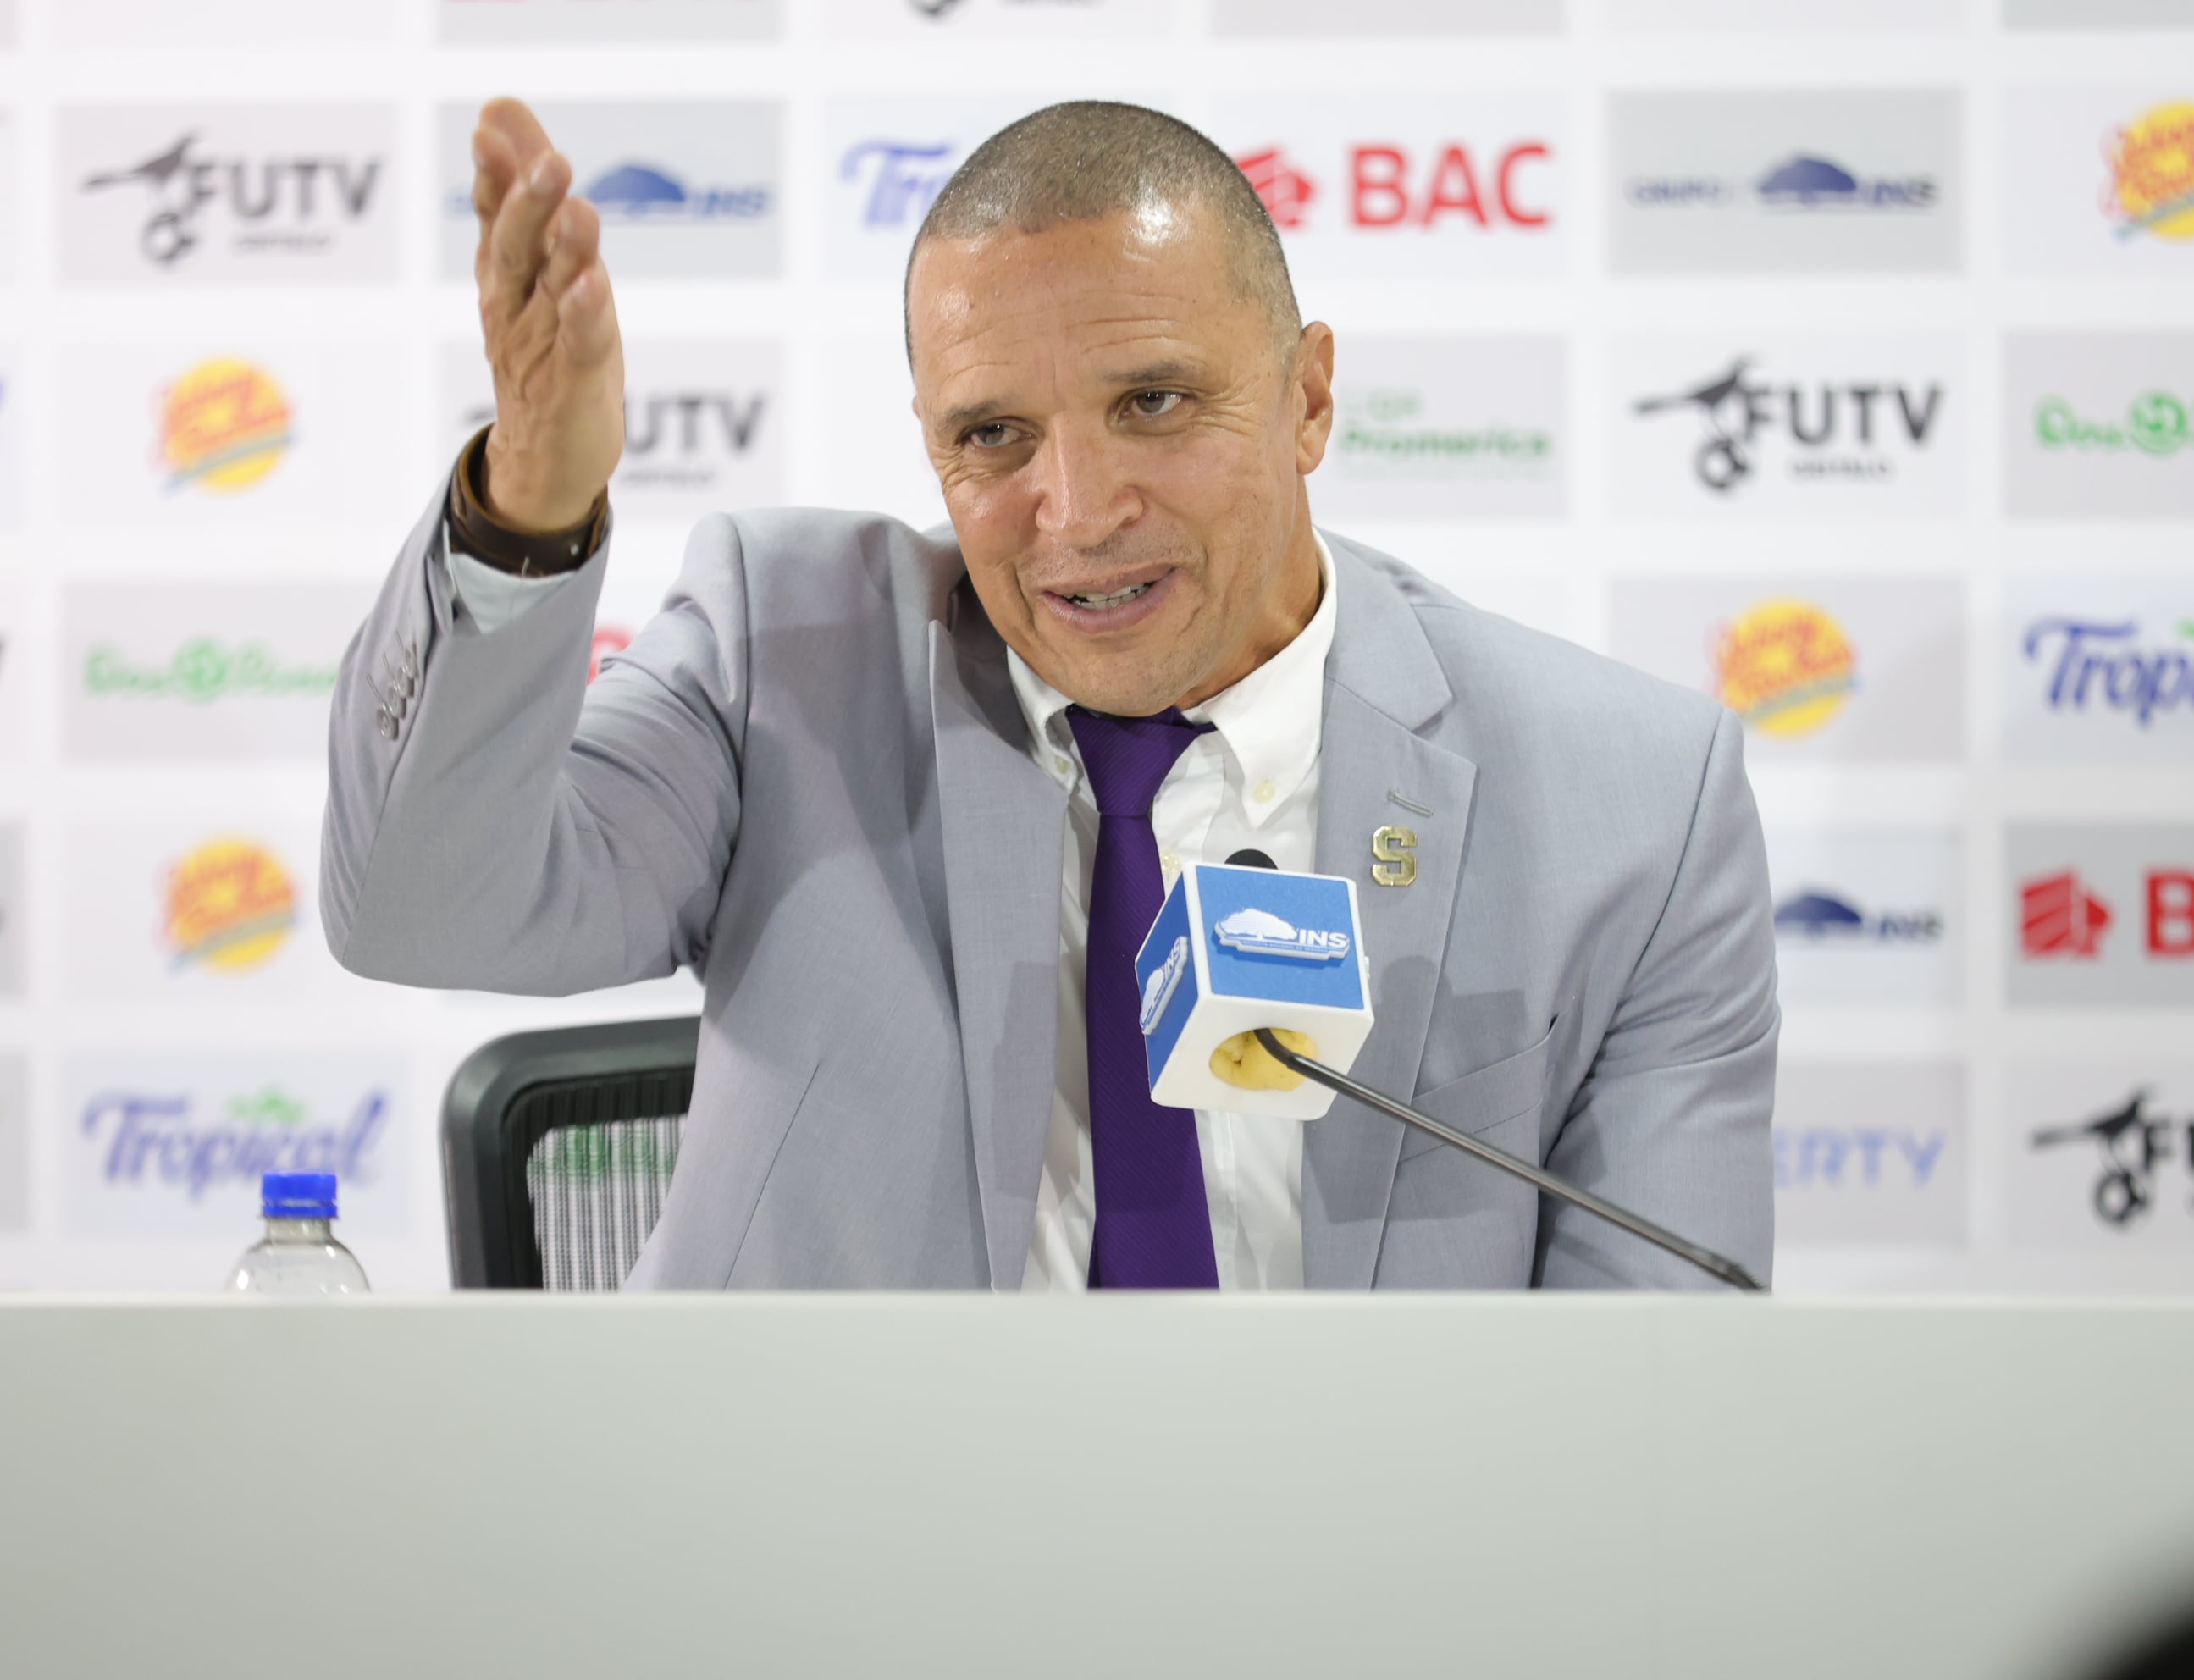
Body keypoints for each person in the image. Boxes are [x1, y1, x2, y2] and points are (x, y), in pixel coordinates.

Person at [321, 97, 1778, 1290]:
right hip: (828, 1586)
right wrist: (527, 510)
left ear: (1310, 397)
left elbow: (1652, 1393)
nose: (1073, 512)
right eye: (994, 436)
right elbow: (420, 903)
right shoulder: (791, 656)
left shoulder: (1634, 810)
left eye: (1151, 402)